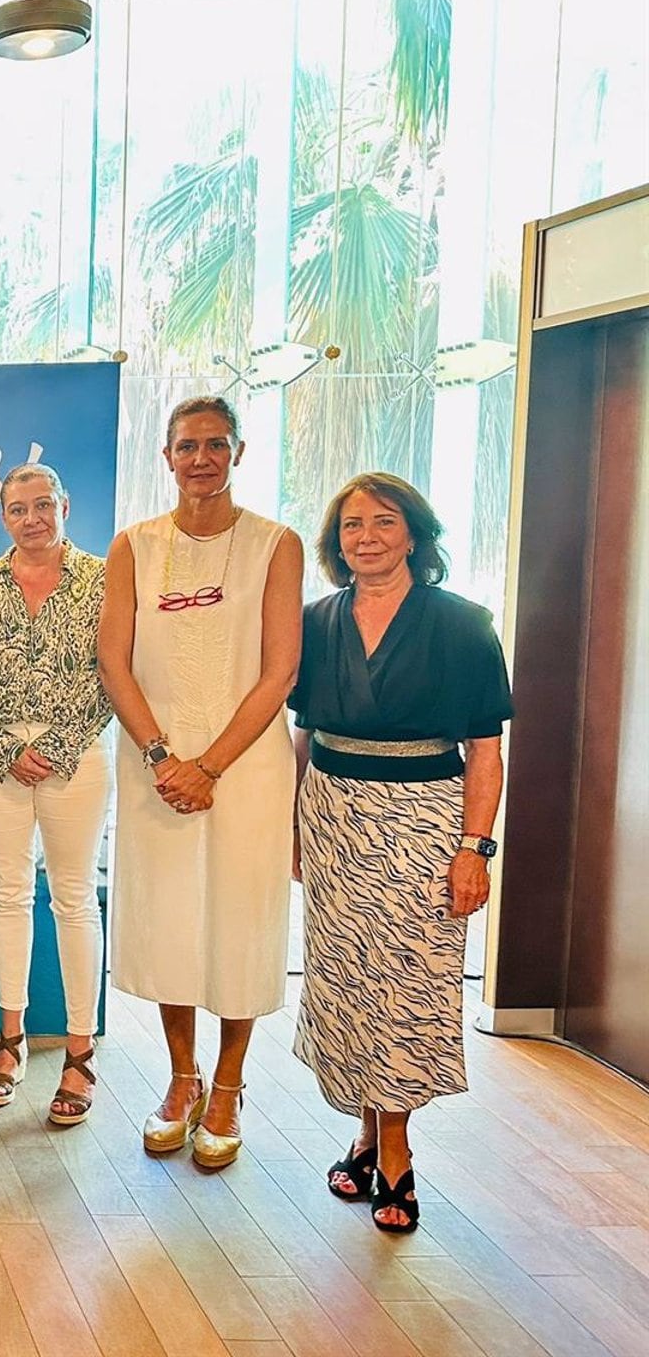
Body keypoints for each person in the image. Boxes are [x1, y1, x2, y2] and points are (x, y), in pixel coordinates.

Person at [291, 473, 510, 1235]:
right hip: (332, 815)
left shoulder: (464, 624)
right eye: (351, 525)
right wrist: (295, 826)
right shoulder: (316, 622)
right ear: (336, 541)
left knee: (409, 982)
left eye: (383, 522)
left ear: (414, 534)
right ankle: (362, 1133)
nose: (366, 537)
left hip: (424, 819)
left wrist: (474, 849)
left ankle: (397, 1152)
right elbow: (302, 732)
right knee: (348, 978)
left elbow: (485, 750)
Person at [97, 396, 303, 1169]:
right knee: (172, 922)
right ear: (167, 456)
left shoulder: (274, 545)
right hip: (156, 766)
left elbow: (280, 668)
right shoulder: (134, 547)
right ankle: (180, 1079)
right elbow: (114, 660)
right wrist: (162, 758)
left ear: (239, 453)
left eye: (217, 444)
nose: (202, 458)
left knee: (241, 921)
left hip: (245, 767)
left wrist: (209, 764)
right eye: (188, 446)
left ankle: (227, 1086)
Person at [0, 463, 112, 1123]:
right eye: (18, 509)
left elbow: (114, 672)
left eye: (43, 505)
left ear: (65, 506)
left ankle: (79, 1054)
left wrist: (55, 746)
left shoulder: (104, 580)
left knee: (75, 896)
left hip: (75, 757)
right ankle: (11, 1041)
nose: (32, 518)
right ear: (4, 517)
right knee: (8, 892)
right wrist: (5, 747)